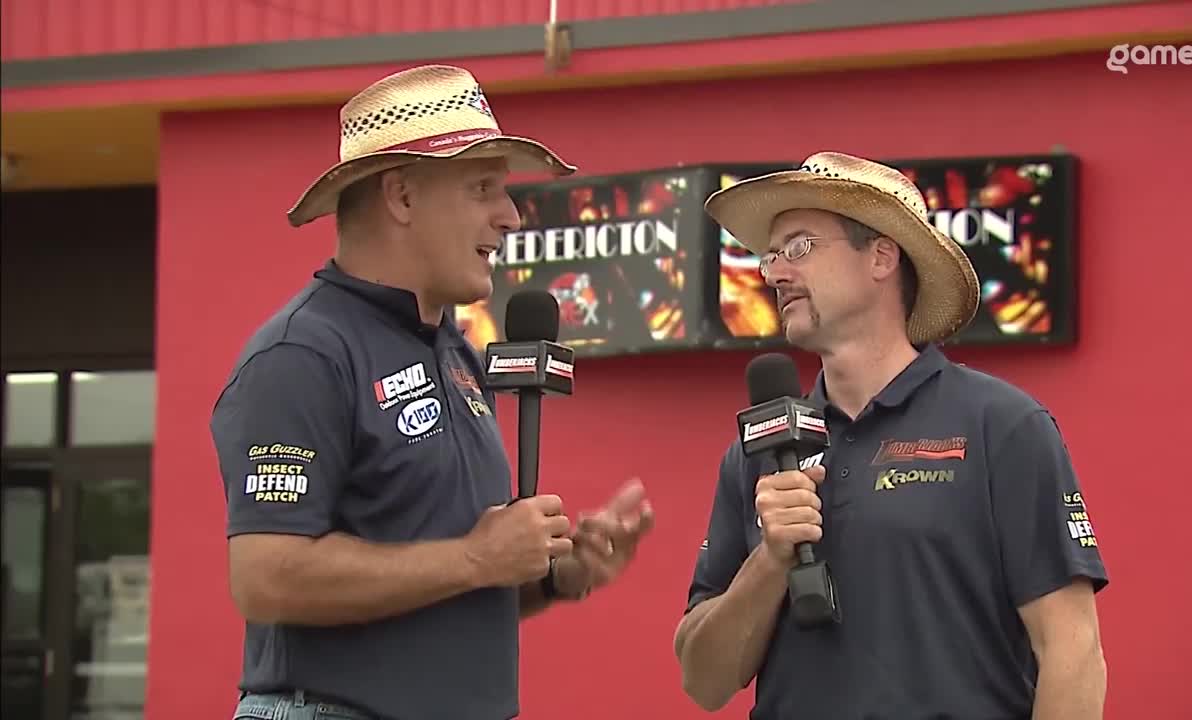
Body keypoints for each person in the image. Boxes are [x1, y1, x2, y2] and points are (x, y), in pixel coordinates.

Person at [211, 65, 655, 720]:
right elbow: (266, 577)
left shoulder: (457, 354)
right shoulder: (302, 354)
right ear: (402, 197)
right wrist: (476, 557)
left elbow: (452, 578)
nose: (510, 217)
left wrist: (554, 576)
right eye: (483, 189)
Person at [673, 152, 1108, 719]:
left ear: (881, 256)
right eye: (771, 255)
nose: (775, 272)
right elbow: (703, 682)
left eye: (799, 246)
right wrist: (772, 558)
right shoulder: (756, 452)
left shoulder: (1002, 425)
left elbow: (1073, 652)